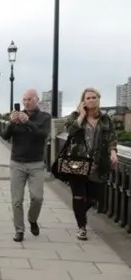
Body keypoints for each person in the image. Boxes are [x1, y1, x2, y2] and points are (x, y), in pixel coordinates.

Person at [63, 88, 118, 240]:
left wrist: (113, 152)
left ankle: (81, 214)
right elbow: (70, 131)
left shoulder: (106, 119)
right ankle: (81, 227)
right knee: (78, 196)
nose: (91, 100)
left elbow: (111, 139)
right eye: (88, 98)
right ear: (83, 101)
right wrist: (81, 116)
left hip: (99, 163)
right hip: (78, 161)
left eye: (94, 97)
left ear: (98, 99)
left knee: (95, 197)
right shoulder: (75, 116)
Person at [1, 89, 51, 242]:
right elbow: (5, 136)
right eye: (24, 99)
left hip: (36, 163)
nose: (26, 102)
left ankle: (32, 219)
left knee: (37, 197)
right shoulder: (17, 117)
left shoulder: (45, 117)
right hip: (17, 163)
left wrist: (27, 122)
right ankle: (19, 230)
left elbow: (42, 135)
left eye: (30, 99)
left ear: (37, 100)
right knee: (17, 200)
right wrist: (11, 123)